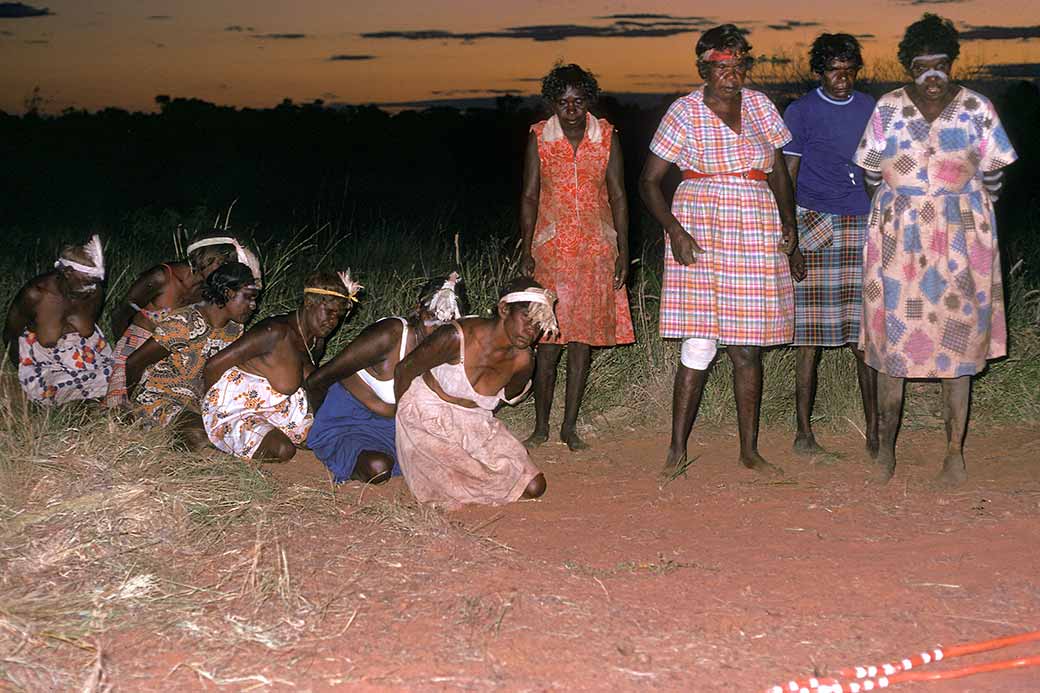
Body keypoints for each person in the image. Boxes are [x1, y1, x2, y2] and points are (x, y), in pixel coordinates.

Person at [853, 14, 1017, 484]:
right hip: (898, 243)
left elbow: (995, 179)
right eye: (921, 67)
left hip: (962, 242)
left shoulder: (977, 109)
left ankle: (954, 453)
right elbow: (868, 174)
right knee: (892, 345)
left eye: (940, 65)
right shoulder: (887, 108)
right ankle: (885, 452)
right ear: (908, 67)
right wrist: (901, 216)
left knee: (957, 342)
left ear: (951, 64)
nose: (932, 77)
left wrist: (960, 220)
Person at [639, 24, 805, 476]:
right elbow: (649, 182)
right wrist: (674, 230)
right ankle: (676, 449)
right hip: (701, 229)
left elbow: (779, 174)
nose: (731, 74)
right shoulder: (685, 111)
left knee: (746, 348)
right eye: (721, 66)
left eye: (738, 65)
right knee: (699, 342)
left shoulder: (760, 106)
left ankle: (749, 451)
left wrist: (791, 227)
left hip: (755, 228)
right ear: (704, 69)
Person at [519, 63, 635, 451]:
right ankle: (540, 427)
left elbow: (618, 194)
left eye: (578, 100)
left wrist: (623, 248)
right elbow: (530, 195)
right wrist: (526, 246)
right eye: (563, 101)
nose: (570, 108)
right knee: (548, 343)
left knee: (581, 341)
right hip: (550, 249)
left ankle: (569, 427)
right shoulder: (539, 136)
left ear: (589, 101)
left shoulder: (606, 136)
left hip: (595, 249)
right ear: (552, 102)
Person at [783, 34, 879, 457]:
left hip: (860, 220)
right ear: (819, 72)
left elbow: (879, 169)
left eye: (849, 70)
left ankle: (875, 431)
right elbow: (786, 173)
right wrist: (792, 241)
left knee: (865, 335)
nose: (842, 79)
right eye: (834, 71)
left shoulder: (870, 108)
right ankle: (803, 432)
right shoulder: (801, 111)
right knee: (809, 339)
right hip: (814, 221)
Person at [393, 278, 550, 510]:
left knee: (534, 486)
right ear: (504, 309)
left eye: (538, 324)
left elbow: (507, 398)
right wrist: (400, 418)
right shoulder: (458, 337)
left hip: (475, 421)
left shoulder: (524, 360)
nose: (531, 331)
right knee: (450, 490)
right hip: (427, 415)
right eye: (526, 318)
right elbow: (404, 370)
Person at [306, 273, 469, 484]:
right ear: (418, 309)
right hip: (348, 420)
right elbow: (318, 379)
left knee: (453, 462)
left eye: (447, 322)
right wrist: (323, 424)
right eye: (432, 317)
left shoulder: (449, 347)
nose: (438, 328)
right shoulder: (390, 335)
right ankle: (342, 453)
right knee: (378, 467)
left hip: (396, 427)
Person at [202, 271, 358, 462]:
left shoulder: (317, 341)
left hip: (278, 410)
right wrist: (208, 411)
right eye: (329, 312)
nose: (333, 322)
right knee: (283, 450)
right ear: (309, 303)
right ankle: (223, 443)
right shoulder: (274, 332)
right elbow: (213, 366)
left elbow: (311, 386)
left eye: (339, 316)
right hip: (234, 410)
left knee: (326, 437)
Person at [106, 230, 261, 408]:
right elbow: (122, 312)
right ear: (204, 257)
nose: (224, 269)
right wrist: (121, 348)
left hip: (168, 352)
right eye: (221, 262)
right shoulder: (163, 277)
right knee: (118, 407)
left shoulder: (208, 291)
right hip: (137, 344)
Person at [124, 262, 259, 447]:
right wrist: (127, 406)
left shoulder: (235, 328)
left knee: (238, 433)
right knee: (202, 433)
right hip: (159, 397)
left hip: (197, 403)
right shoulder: (183, 323)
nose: (253, 306)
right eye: (249, 299)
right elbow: (134, 362)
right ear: (229, 293)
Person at [4, 235, 114, 405]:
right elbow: (11, 333)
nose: (93, 287)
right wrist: (20, 369)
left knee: (120, 377)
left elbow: (91, 327)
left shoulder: (95, 292)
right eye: (87, 281)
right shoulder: (36, 295)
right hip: (44, 360)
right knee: (65, 395)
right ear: (67, 272)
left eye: (96, 282)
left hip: (84, 354)